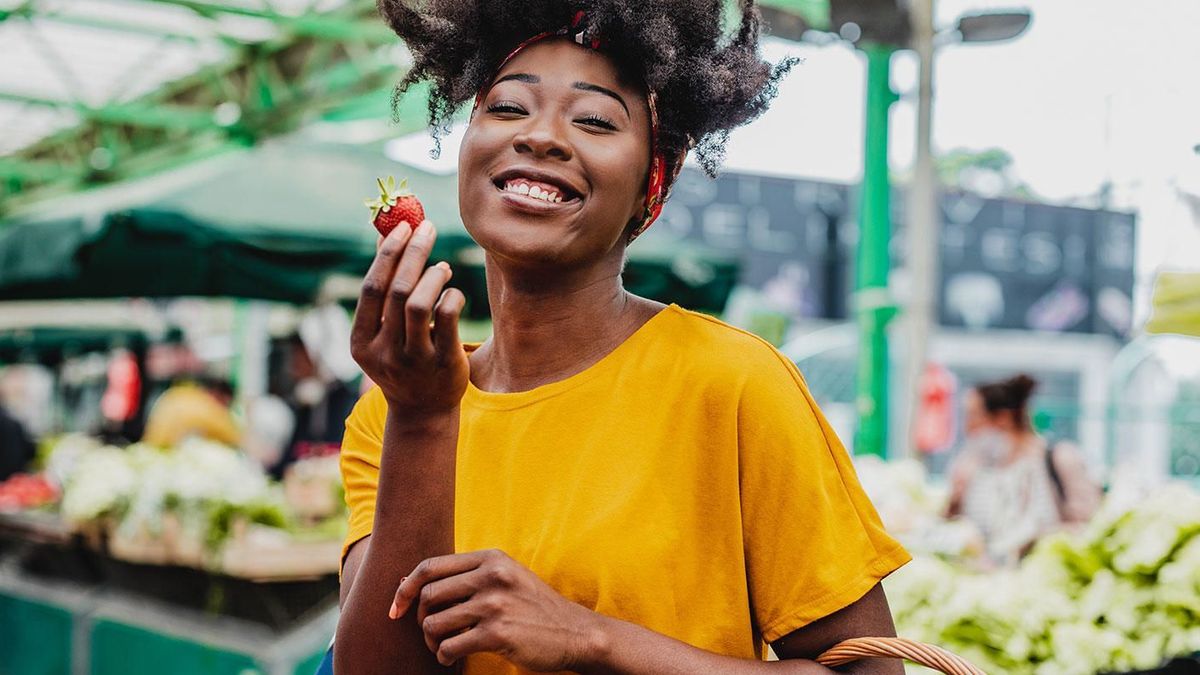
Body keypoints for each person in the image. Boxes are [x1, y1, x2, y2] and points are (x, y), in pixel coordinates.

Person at [335, 2, 911, 673]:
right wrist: (424, 419)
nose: (542, 136)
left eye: (595, 120)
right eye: (508, 108)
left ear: (652, 185)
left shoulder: (732, 382)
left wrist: (592, 638)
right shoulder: (390, 415)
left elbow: (871, 670)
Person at [946, 374, 1099, 565]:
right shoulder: (972, 469)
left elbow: (1091, 530)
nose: (968, 429)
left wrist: (1036, 540)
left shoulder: (1059, 459)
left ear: (1003, 418)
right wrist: (953, 503)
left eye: (974, 416)